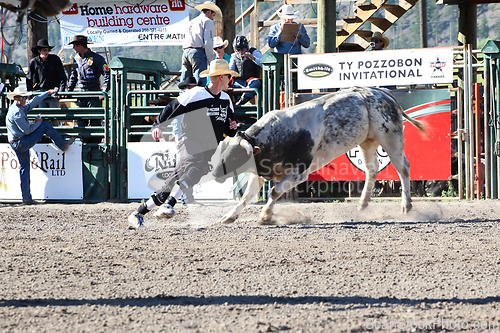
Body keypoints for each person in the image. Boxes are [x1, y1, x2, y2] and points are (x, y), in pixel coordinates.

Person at [128, 59, 239, 229]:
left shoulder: (226, 100)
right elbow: (172, 107)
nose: (230, 80)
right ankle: (169, 204)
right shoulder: (196, 94)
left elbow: (228, 128)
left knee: (172, 182)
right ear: (222, 77)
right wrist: (158, 125)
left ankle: (138, 213)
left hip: (209, 147)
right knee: (198, 166)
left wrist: (232, 128)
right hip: (189, 141)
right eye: (229, 77)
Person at [6, 86, 75, 205]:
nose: (25, 100)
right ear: (16, 98)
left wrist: (46, 93)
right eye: (22, 98)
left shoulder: (16, 108)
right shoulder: (17, 112)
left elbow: (33, 102)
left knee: (24, 169)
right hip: (21, 142)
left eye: (24, 98)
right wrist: (38, 122)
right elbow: (27, 130)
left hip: (16, 142)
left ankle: (26, 198)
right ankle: (62, 144)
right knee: (46, 126)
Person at [67, 35, 110, 129]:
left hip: (94, 92)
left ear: (80, 45)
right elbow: (73, 76)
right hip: (81, 93)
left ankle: (96, 142)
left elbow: (107, 74)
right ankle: (83, 141)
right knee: (81, 119)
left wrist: (104, 90)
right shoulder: (76, 59)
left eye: (74, 45)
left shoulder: (97, 58)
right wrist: (68, 91)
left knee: (95, 119)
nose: (73, 47)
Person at [180, 1, 222, 87]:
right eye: (213, 15)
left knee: (185, 81)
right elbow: (208, 42)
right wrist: (210, 60)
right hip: (198, 52)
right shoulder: (207, 21)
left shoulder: (192, 21)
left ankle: (182, 97)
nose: (213, 18)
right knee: (200, 81)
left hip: (186, 51)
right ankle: (200, 98)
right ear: (209, 11)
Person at [26, 39, 67, 110]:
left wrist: (60, 91)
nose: (47, 52)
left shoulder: (55, 60)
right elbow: (29, 78)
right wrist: (30, 92)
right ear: (39, 51)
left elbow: (62, 77)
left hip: (54, 91)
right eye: (44, 50)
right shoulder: (34, 62)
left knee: (53, 116)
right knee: (43, 115)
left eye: (48, 50)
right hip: (42, 91)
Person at [229, 36, 263, 106]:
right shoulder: (234, 56)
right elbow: (230, 69)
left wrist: (253, 58)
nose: (241, 52)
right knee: (226, 85)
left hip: (251, 80)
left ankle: (241, 102)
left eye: (242, 49)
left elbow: (264, 63)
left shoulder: (254, 52)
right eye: (238, 50)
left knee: (255, 83)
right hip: (239, 81)